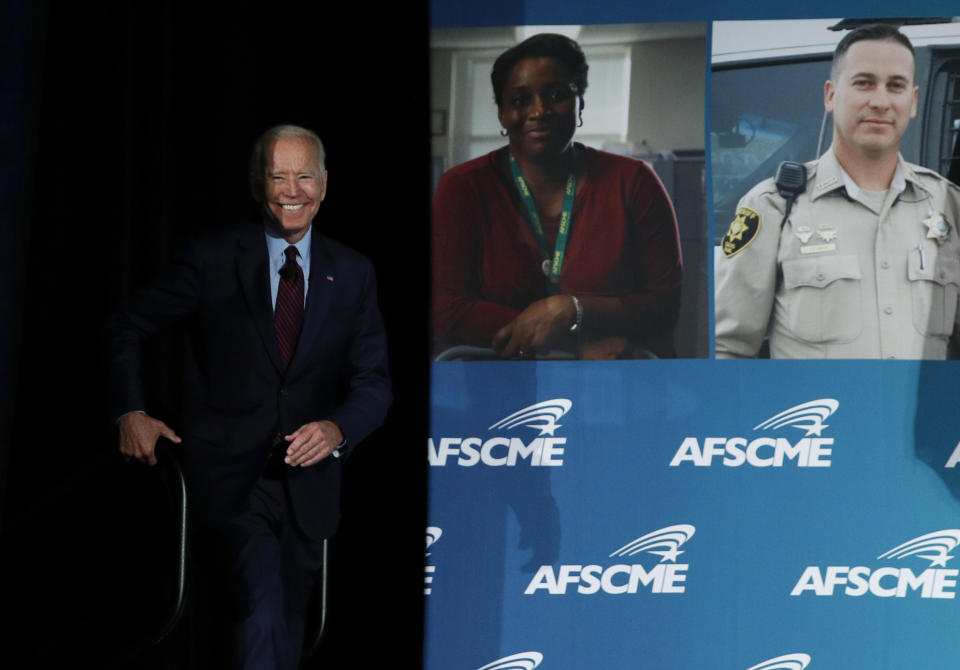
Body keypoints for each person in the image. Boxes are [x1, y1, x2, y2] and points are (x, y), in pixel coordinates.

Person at [110, 124, 391, 669]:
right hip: (231, 477)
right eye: (278, 175)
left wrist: (337, 429)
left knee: (287, 625)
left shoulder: (352, 273)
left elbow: (374, 383)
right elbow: (127, 327)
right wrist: (131, 411)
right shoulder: (212, 258)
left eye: (305, 175)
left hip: (310, 484)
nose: (293, 190)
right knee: (261, 607)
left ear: (325, 184)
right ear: (256, 182)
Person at [715, 23, 960, 359]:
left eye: (895, 86)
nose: (880, 101)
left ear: (913, 102)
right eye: (864, 83)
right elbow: (728, 349)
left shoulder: (949, 206)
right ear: (830, 95)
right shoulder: (773, 207)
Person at [432, 33, 682, 360]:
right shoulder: (463, 187)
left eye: (557, 94)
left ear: (580, 104)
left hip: (618, 376)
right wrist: (573, 346)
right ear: (502, 115)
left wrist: (570, 309)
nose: (540, 111)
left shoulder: (633, 182)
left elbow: (663, 307)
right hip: (498, 380)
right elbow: (446, 310)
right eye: (520, 100)